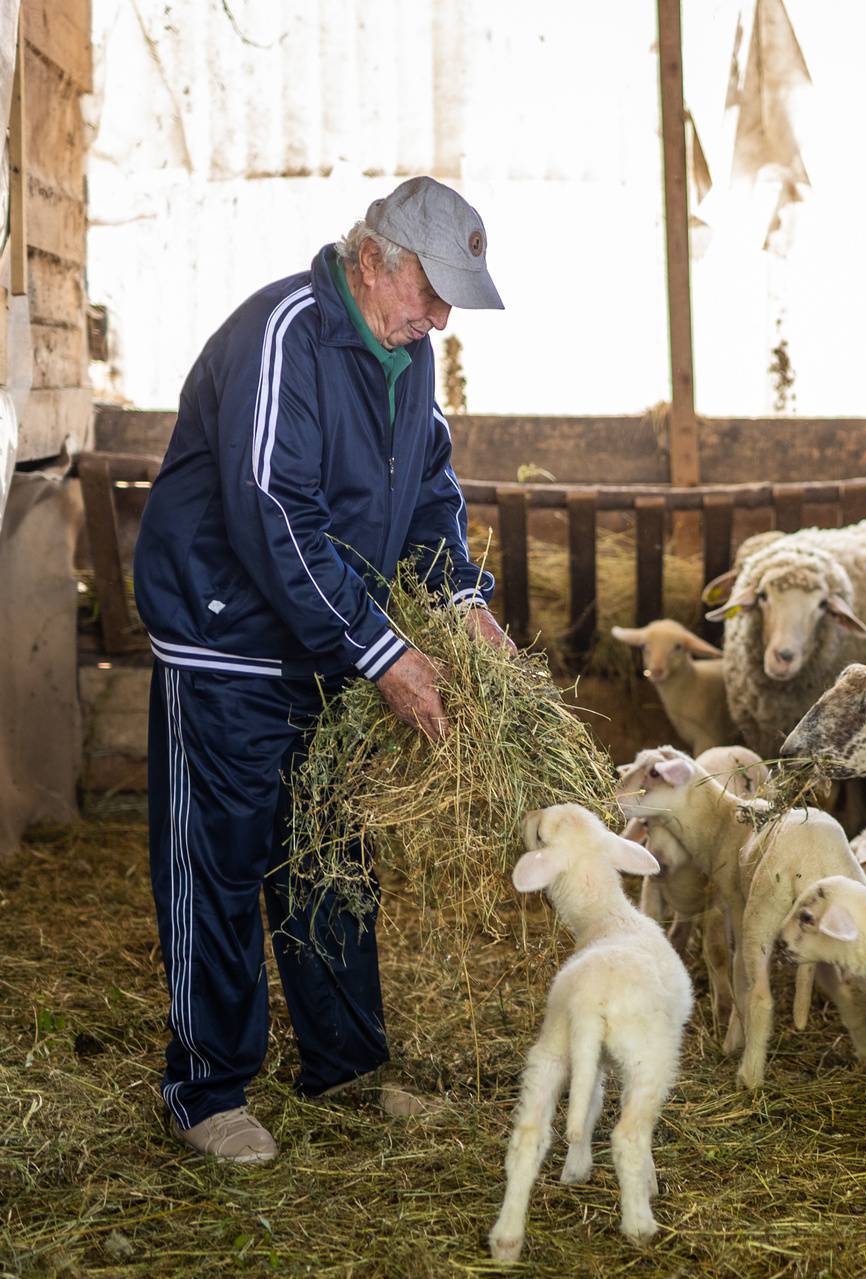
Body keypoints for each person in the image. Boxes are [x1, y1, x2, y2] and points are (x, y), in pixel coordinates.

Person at [132, 177, 513, 1164]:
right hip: (232, 637)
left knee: (330, 852)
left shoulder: (406, 355)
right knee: (220, 858)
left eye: (449, 304)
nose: (438, 321)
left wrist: (463, 600)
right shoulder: (286, 335)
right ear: (377, 258)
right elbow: (272, 509)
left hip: (330, 639)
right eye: (431, 293)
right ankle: (207, 1088)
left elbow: (429, 489)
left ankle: (346, 1067)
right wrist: (384, 647)